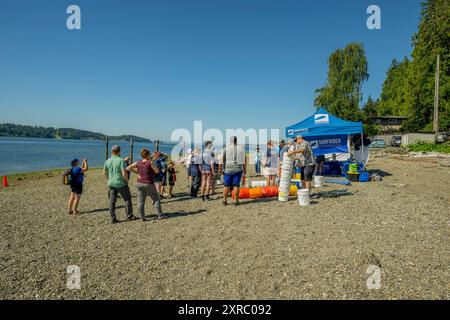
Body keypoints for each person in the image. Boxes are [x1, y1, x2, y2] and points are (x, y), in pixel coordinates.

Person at [103, 145, 138, 224]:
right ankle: (129, 215)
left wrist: (109, 179)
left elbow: (104, 173)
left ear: (112, 151)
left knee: (112, 201)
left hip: (111, 183)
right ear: (119, 151)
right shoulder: (121, 160)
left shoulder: (107, 161)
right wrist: (126, 181)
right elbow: (124, 173)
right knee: (127, 199)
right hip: (120, 183)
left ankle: (113, 218)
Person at [218, 136, 246, 206]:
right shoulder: (241, 149)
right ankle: (235, 200)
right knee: (236, 185)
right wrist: (245, 168)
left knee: (226, 185)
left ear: (230, 141)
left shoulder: (225, 149)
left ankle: (224, 200)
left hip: (228, 169)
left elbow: (221, 159)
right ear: (236, 141)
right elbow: (244, 160)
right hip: (238, 169)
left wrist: (219, 168)